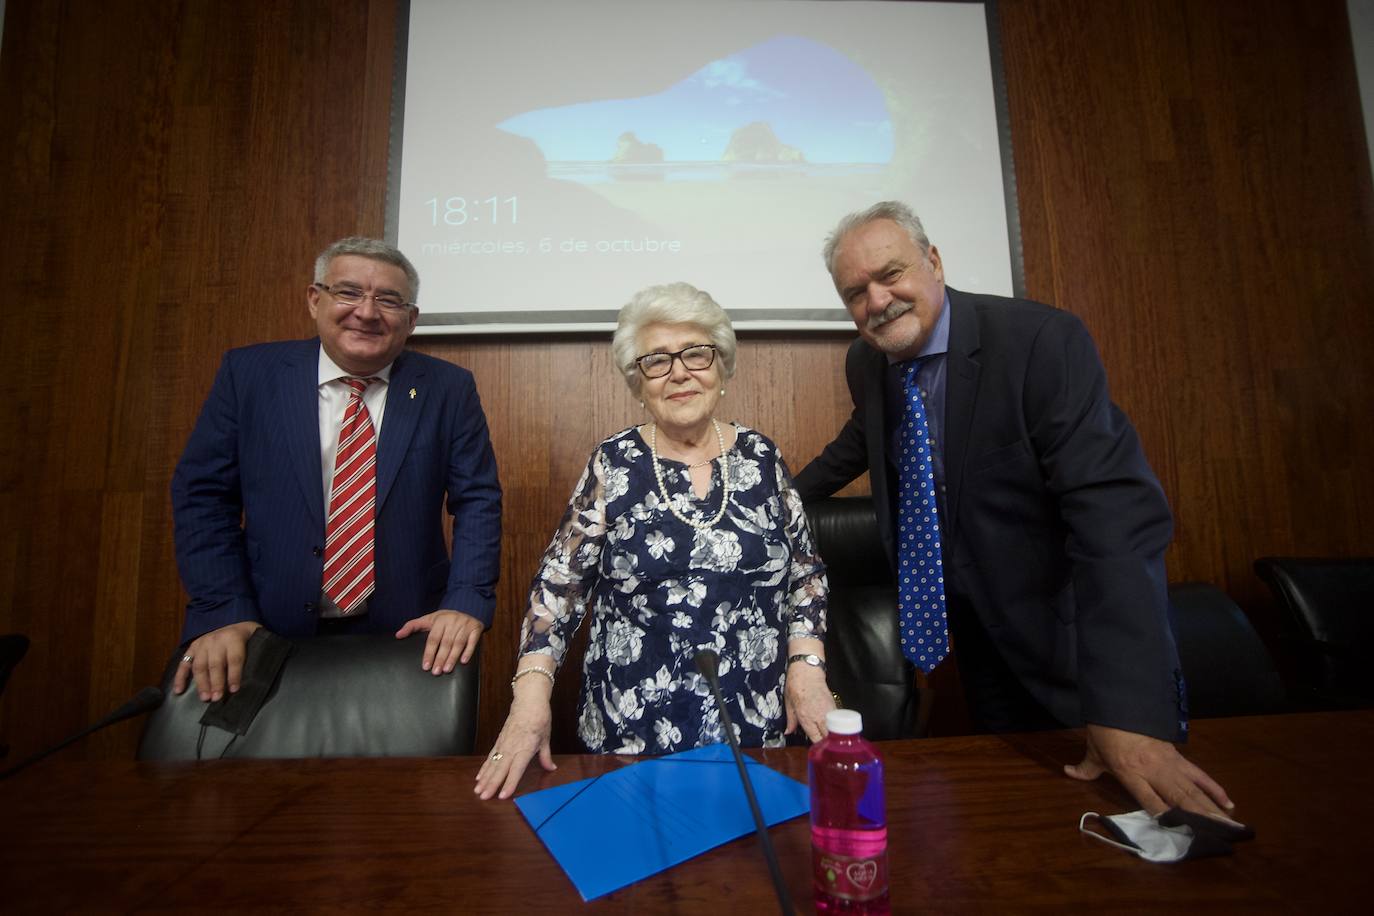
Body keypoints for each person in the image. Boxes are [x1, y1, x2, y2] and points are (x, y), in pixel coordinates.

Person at [794, 201, 1235, 820]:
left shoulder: (1039, 343)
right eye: (855, 291)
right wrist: (772, 498)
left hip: (1066, 640)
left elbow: (1115, 524)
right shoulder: (868, 360)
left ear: (935, 261)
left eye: (890, 274)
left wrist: (1127, 711)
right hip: (973, 639)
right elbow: (860, 441)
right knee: (1022, 818)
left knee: (1127, 820)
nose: (877, 300)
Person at [476, 282, 833, 800]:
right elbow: (559, 588)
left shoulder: (761, 457)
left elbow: (806, 575)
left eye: (696, 353)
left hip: (756, 727)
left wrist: (807, 669)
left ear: (721, 366)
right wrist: (530, 698)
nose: (680, 372)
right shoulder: (613, 463)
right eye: (657, 361)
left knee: (753, 872)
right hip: (631, 733)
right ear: (637, 382)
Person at [171, 237, 502, 702]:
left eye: (389, 300)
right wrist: (224, 610)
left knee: (400, 773)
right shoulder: (249, 375)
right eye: (348, 292)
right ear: (315, 299)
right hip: (261, 627)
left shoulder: (447, 388)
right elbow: (203, 496)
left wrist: (464, 602)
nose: (367, 312)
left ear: (411, 319)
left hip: (408, 633)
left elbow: (478, 501)